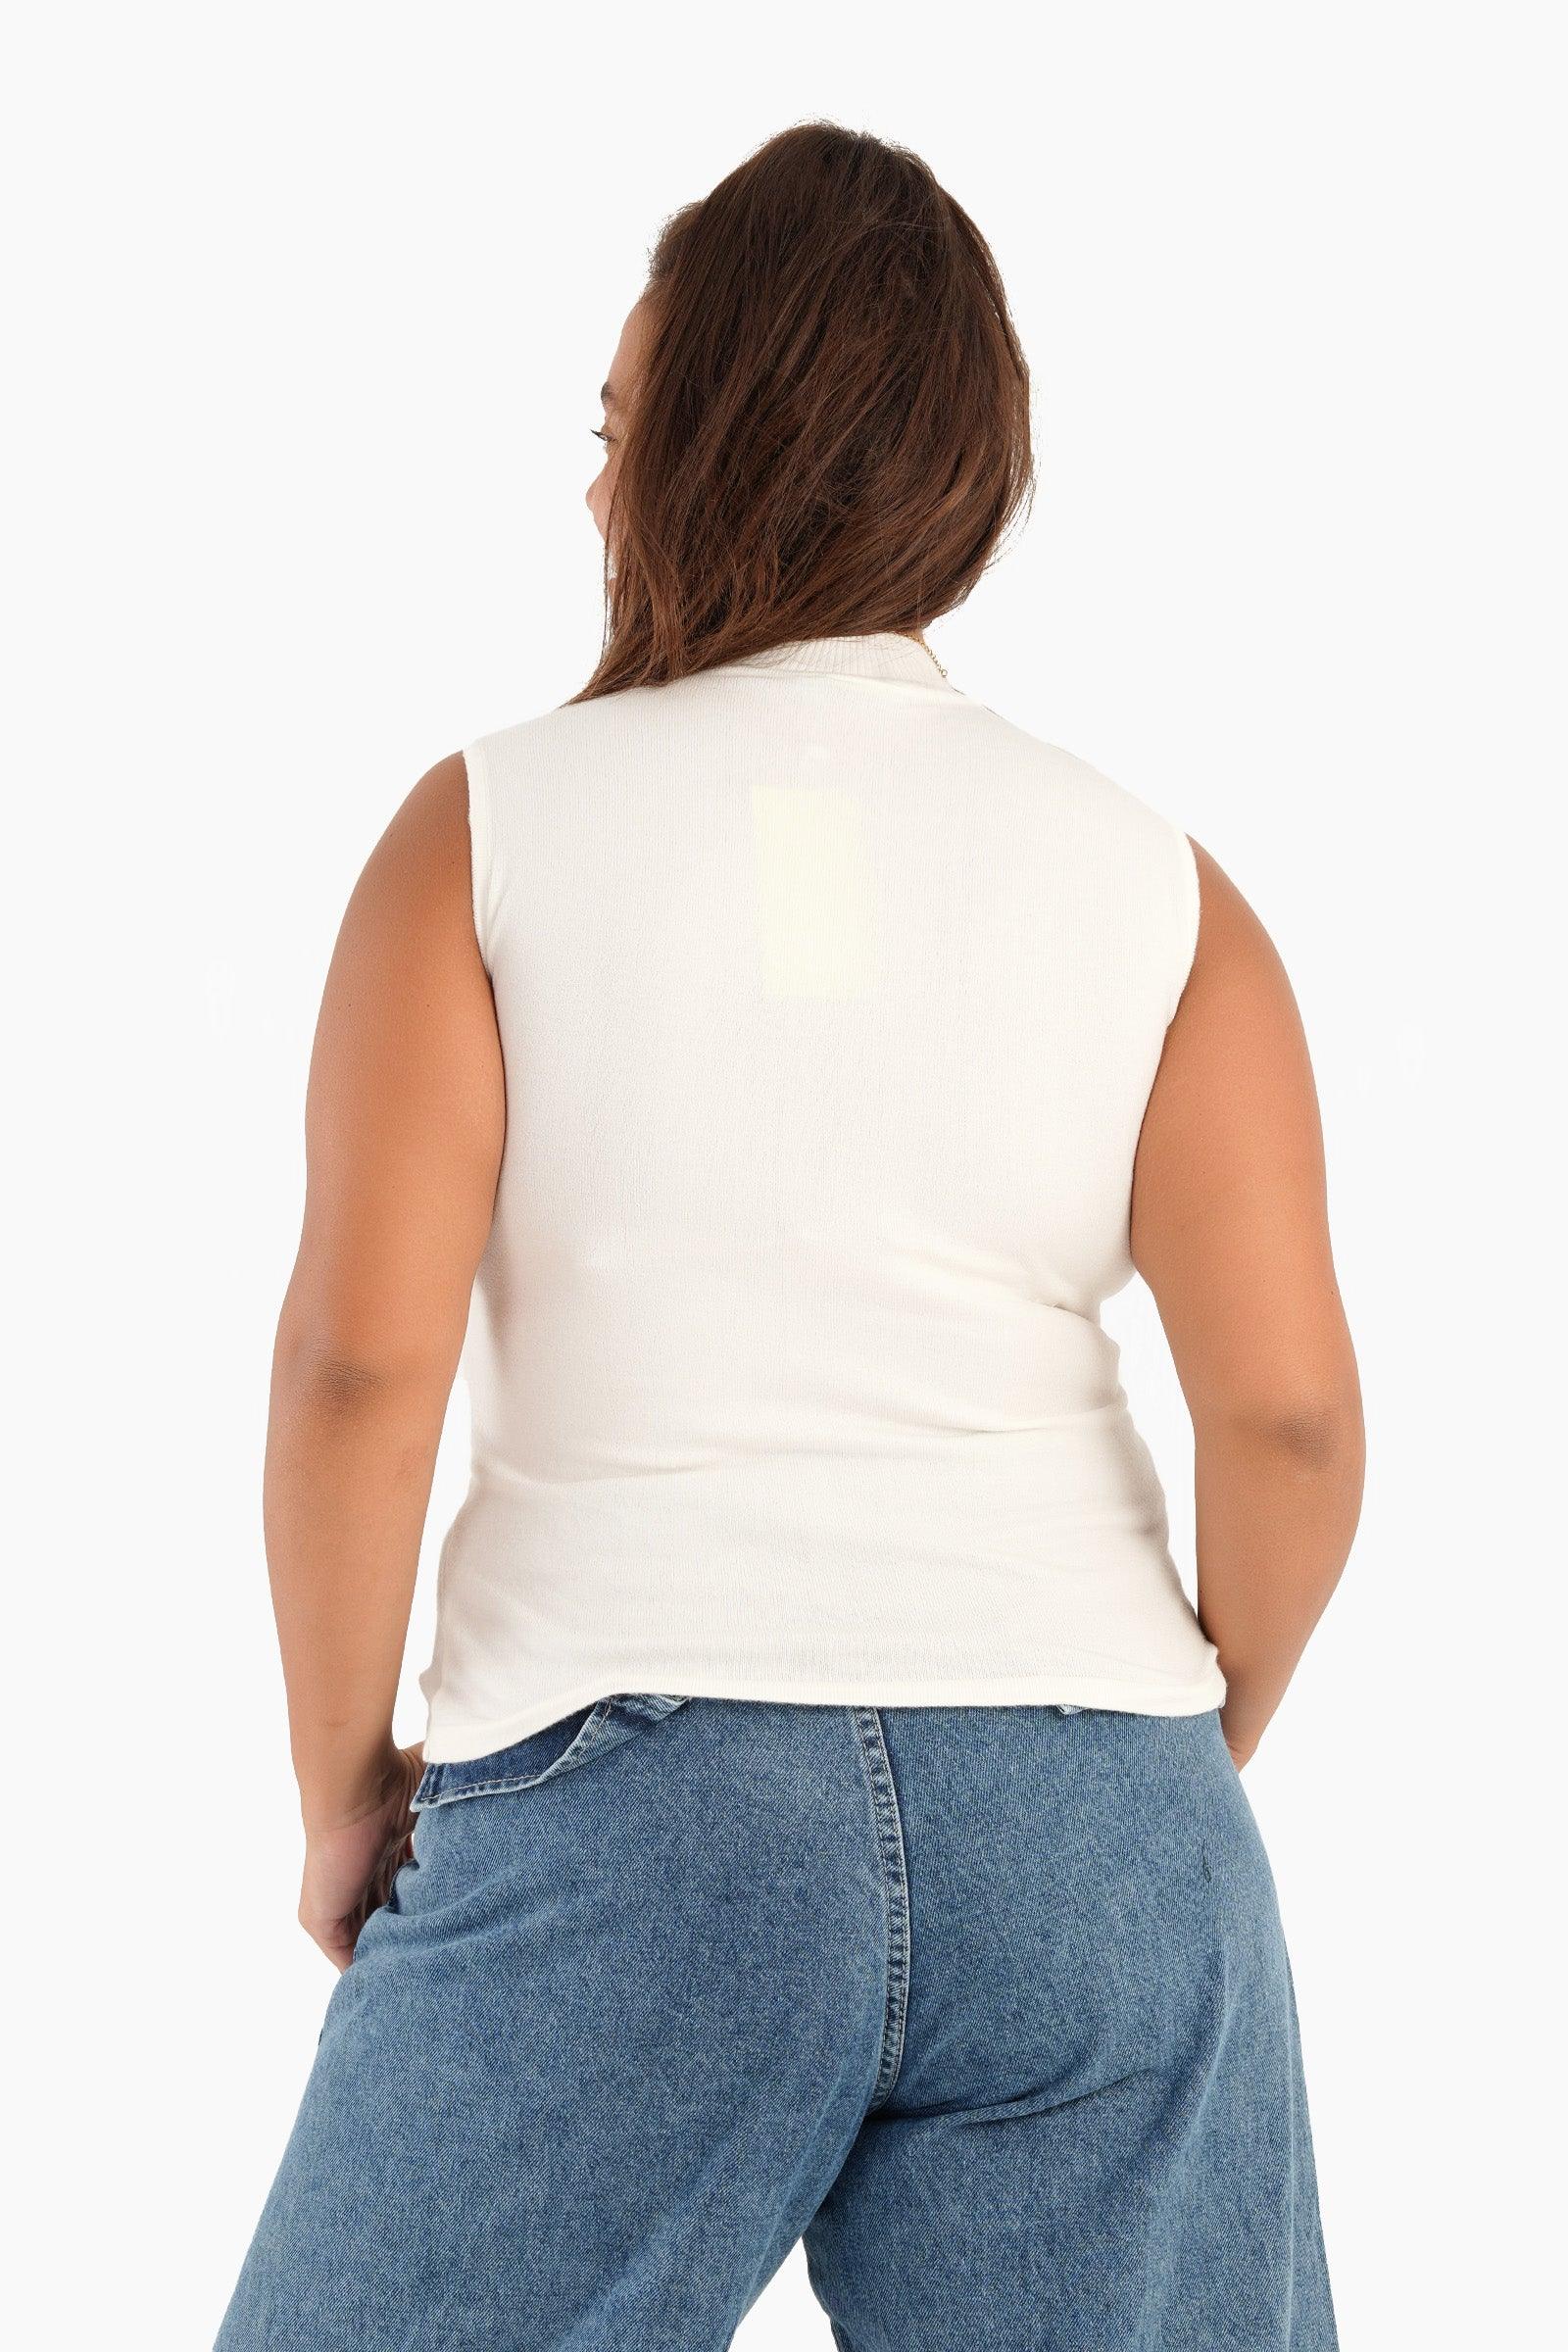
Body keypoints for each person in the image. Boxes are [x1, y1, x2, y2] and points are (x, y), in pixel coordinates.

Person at [217, 122, 1362, 2352]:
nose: (592, 491)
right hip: (1099, 1809)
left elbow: (360, 1365)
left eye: (612, 432)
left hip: (633, 1802)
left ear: (695, 452)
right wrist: (1157, 1749)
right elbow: (1293, 1416)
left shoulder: (485, 836)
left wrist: (342, 1786)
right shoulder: (1160, 883)